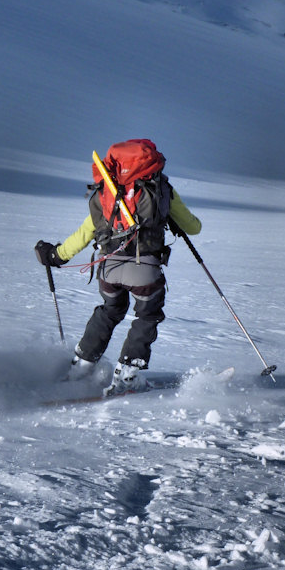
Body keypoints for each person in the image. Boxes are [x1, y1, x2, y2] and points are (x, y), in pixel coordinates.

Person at [35, 139, 202, 395]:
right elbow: (194, 227)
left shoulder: (106, 192)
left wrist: (56, 255)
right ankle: (126, 376)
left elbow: (85, 233)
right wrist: (171, 216)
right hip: (144, 271)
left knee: (110, 310)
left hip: (108, 270)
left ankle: (81, 365)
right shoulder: (161, 188)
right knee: (147, 315)